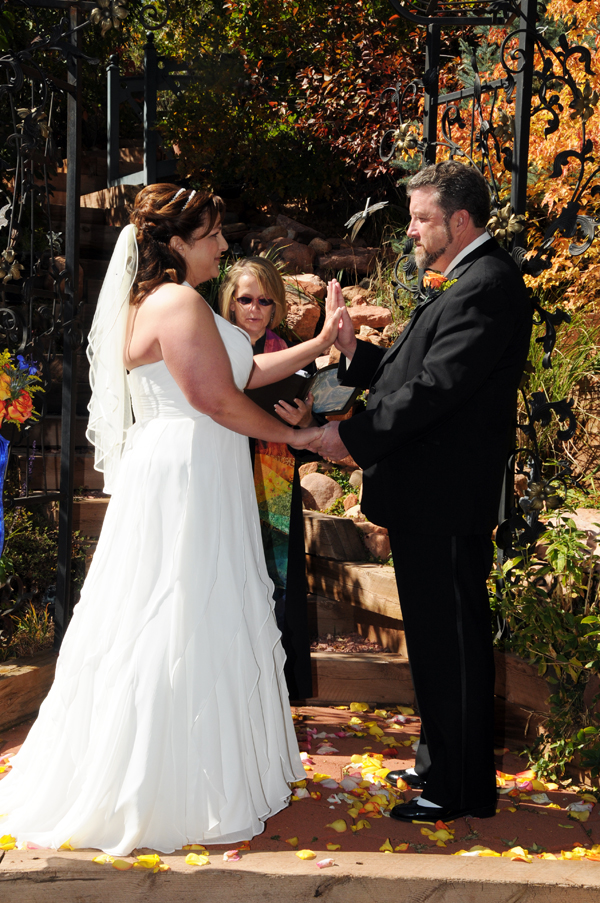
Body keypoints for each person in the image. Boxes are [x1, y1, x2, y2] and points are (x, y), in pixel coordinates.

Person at [0, 184, 344, 855]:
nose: (223, 244)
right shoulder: (180, 301)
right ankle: (173, 782)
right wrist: (301, 441)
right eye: (212, 233)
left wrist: (320, 344)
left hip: (193, 464)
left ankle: (206, 768)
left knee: (197, 607)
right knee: (181, 609)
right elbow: (215, 399)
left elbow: (240, 370)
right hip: (188, 469)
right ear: (179, 243)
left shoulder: (162, 301)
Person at [313, 161, 532, 823]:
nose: (410, 230)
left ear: (459, 220)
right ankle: (442, 762)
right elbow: (416, 368)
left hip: (444, 496)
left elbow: (436, 391)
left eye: (421, 217)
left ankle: (458, 788)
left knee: (450, 639)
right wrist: (356, 353)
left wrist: (352, 438)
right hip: (429, 494)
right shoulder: (464, 278)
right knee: (436, 637)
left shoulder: (487, 284)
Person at [219, 257, 315, 700]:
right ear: (229, 302)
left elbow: (301, 441)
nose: (254, 309)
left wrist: (303, 419)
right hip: (220, 477)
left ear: (275, 307)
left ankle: (274, 693)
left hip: (274, 484)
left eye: (264, 301)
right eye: (245, 299)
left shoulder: (289, 354)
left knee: (277, 585)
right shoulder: (212, 346)